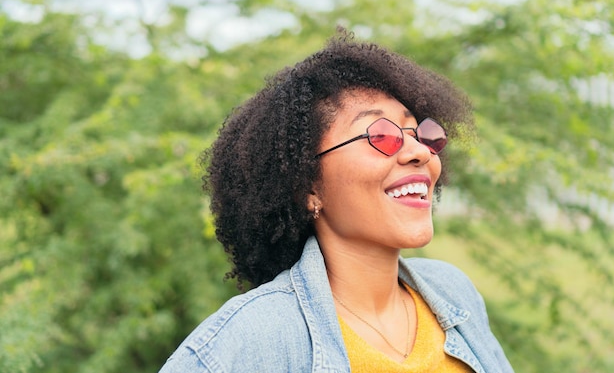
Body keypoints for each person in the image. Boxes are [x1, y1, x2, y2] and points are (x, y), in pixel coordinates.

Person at [159, 30, 514, 373]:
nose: (419, 151)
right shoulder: (251, 340)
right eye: (381, 135)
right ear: (308, 187)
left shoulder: (452, 292)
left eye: (419, 132)